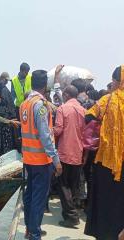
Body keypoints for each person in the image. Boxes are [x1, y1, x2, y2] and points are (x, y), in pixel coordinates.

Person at [20, 70, 62, 240]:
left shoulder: (25, 104)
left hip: (28, 158)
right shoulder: (40, 105)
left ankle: (30, 229)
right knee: (39, 198)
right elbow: (45, 135)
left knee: (30, 195)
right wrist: (56, 159)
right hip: (41, 159)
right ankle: (35, 234)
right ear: (45, 85)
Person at [85, 65, 124, 240]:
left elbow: (89, 116)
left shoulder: (107, 100)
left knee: (105, 202)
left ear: (117, 81)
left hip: (106, 161)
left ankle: (104, 234)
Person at [53, 85, 85, 228]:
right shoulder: (84, 110)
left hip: (65, 152)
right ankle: (74, 212)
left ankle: (71, 216)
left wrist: (46, 132)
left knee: (63, 184)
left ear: (66, 95)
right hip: (78, 152)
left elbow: (58, 129)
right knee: (74, 185)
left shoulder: (62, 109)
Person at [0, 72, 17, 155]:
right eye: (6, 80)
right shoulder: (0, 88)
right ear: (2, 79)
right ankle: (6, 152)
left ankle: (5, 152)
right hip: (5, 116)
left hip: (6, 116)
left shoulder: (2, 89)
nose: (7, 82)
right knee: (6, 135)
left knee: (5, 135)